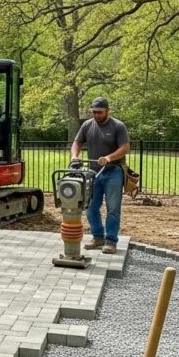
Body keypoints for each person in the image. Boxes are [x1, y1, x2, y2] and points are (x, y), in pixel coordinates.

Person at [70, 97, 131, 255]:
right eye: (94, 112)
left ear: (107, 111)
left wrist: (109, 158)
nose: (96, 115)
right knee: (90, 207)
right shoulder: (87, 125)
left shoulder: (118, 126)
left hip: (114, 171)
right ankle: (98, 237)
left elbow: (125, 147)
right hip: (94, 172)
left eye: (100, 112)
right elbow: (77, 142)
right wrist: (75, 156)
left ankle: (111, 241)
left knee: (113, 208)